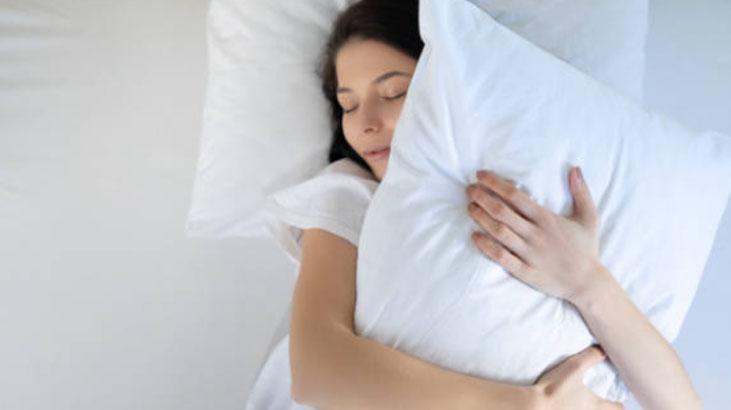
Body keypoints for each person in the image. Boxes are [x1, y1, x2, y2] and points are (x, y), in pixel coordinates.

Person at [253, 1, 703, 409]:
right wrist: (526, 404)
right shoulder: (349, 194)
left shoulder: (518, 198)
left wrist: (587, 282)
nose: (365, 123)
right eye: (348, 105)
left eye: (393, 93)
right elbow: (314, 372)